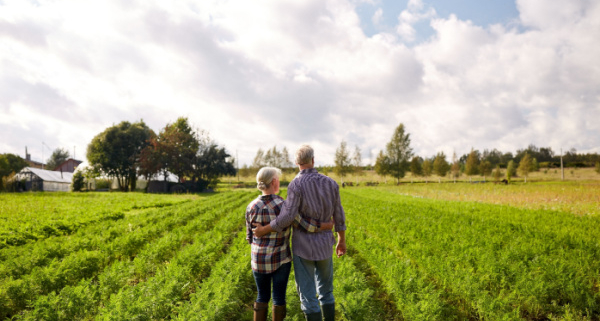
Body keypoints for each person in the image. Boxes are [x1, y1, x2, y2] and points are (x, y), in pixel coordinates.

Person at [254, 145, 347, 321]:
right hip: (325, 245)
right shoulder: (331, 183)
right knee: (327, 291)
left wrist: (264, 230)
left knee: (308, 294)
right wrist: (341, 240)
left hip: (303, 248)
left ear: (296, 162)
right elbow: (339, 215)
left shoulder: (295, 185)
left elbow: (287, 217)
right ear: (313, 160)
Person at [246, 166, 333, 321]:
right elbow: (305, 225)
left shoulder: (251, 206)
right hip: (280, 260)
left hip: (258, 260)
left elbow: (249, 237)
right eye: (278, 179)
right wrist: (326, 225)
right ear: (274, 182)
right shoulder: (284, 205)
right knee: (278, 298)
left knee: (261, 296)